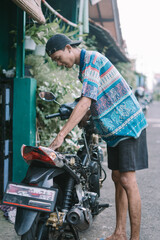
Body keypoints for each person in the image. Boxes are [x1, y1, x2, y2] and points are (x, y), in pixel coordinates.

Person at [45, 33, 148, 240]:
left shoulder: (91, 60)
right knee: (117, 178)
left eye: (58, 57)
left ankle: (135, 238)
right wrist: (85, 118)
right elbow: (92, 102)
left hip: (127, 124)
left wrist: (61, 135)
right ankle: (119, 233)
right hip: (114, 130)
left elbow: (85, 101)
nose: (58, 62)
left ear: (68, 48)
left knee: (128, 180)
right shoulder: (84, 70)